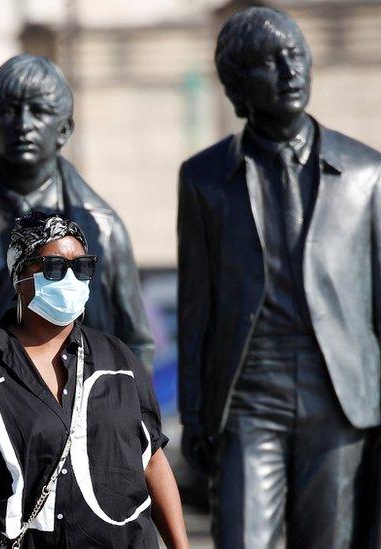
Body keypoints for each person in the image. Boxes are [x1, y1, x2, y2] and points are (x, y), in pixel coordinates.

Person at [177, 7, 380, 548]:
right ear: (239, 85)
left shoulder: (365, 172)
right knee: (243, 538)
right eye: (269, 62)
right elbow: (198, 307)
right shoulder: (204, 178)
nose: (291, 70)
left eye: (297, 54)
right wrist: (194, 414)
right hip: (250, 391)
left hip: (338, 395)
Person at [0, 211, 188, 549]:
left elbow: (152, 459)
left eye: (81, 266)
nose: (69, 278)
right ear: (20, 276)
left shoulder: (118, 361)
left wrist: (180, 545)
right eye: (53, 267)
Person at [0, 54, 153, 394]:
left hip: (77, 418)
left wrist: (118, 415)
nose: (23, 124)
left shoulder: (102, 227)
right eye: (9, 111)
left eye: (38, 112)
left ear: (64, 128)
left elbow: (135, 343)